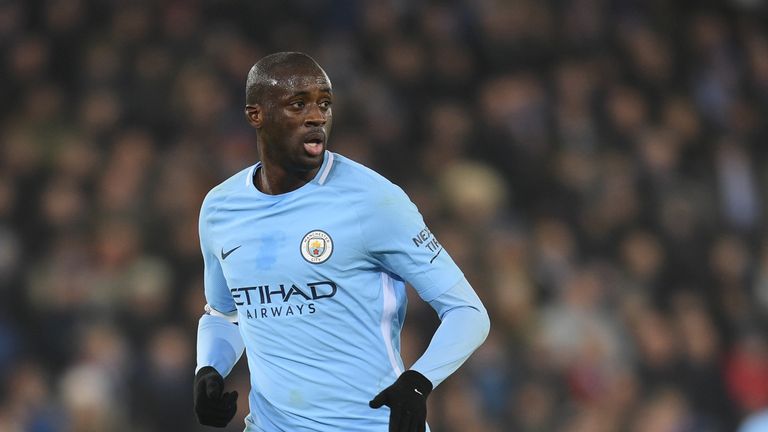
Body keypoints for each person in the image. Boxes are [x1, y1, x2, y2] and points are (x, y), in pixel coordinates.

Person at [193, 52, 490, 432]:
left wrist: (418, 383)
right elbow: (224, 314)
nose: (316, 116)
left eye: (325, 104)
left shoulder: (373, 200)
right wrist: (209, 369)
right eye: (298, 104)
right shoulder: (221, 208)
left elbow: (467, 311)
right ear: (256, 115)